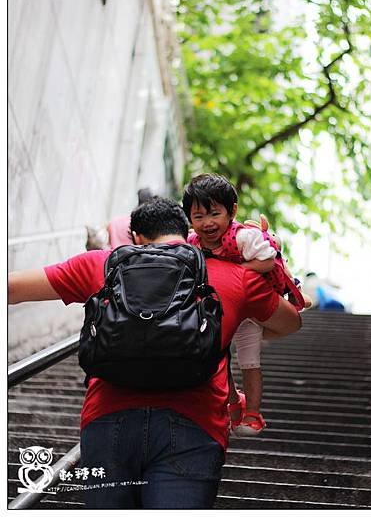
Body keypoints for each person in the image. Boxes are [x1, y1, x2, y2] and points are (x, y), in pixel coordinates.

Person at [8, 198, 301, 509]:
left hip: (107, 423)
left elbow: (11, 288)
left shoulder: (99, 264)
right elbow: (291, 322)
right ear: (188, 231)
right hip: (194, 426)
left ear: (136, 237)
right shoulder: (234, 277)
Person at [182, 173, 309, 437]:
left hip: (249, 312)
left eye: (214, 214)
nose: (207, 223)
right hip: (219, 310)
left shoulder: (242, 238)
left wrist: (234, 271)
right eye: (198, 216)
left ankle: (253, 414)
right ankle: (232, 405)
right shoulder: (192, 242)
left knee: (250, 363)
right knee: (218, 358)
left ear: (232, 211)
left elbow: (266, 261)